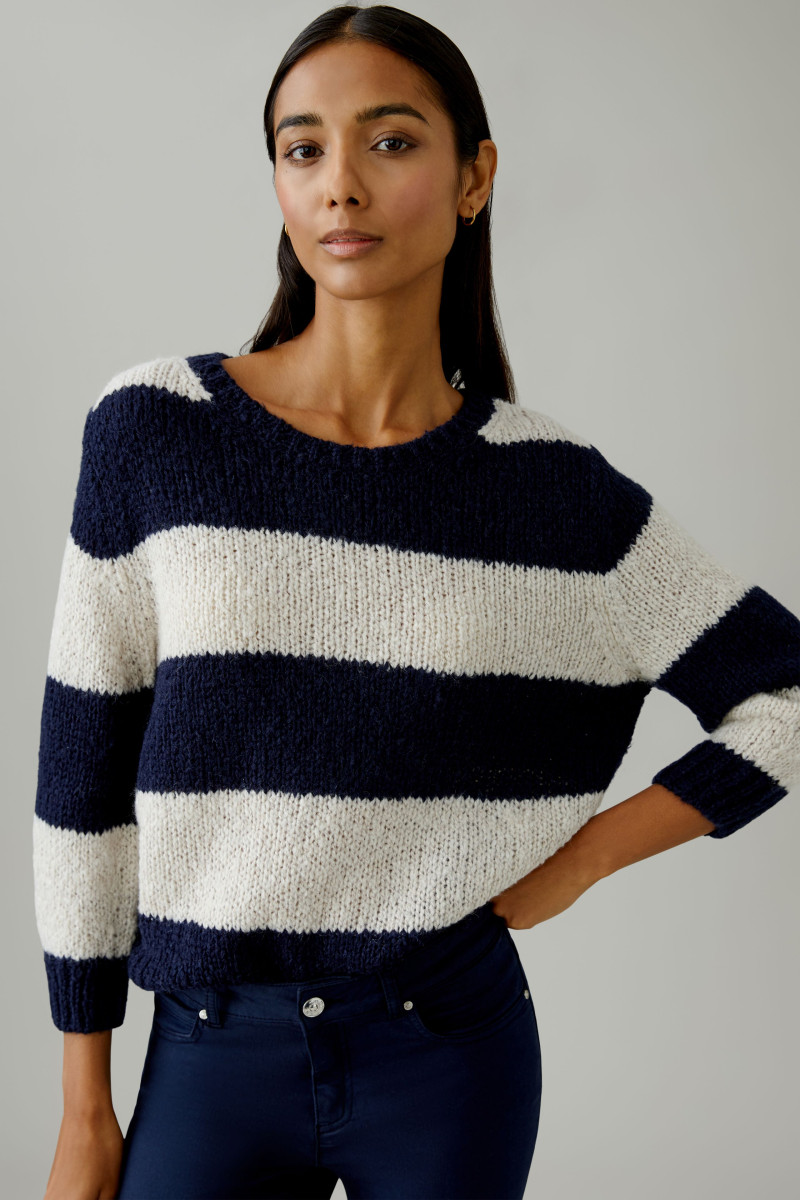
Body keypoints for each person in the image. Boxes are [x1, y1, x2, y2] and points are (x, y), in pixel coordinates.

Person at [34, 5, 800, 1199]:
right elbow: (82, 782)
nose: (340, 184)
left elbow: (783, 694)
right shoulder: (155, 433)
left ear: (474, 176)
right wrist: (85, 1107)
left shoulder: (552, 493)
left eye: (388, 142)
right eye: (303, 148)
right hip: (210, 1044)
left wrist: (584, 859)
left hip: (445, 1046)